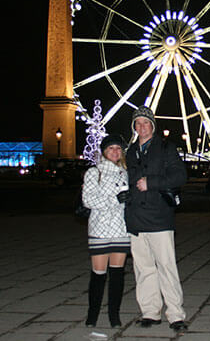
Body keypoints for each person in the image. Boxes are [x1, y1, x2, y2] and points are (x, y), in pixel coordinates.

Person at [125, 105, 188, 332]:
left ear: (152, 125)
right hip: (136, 218)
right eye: (138, 123)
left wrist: (151, 183)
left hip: (159, 216)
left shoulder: (166, 147)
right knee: (143, 268)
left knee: (166, 266)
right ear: (134, 126)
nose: (142, 127)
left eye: (145, 122)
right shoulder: (130, 152)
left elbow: (180, 175)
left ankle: (175, 314)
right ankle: (150, 311)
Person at [82, 134, 131, 328]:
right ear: (104, 151)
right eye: (111, 148)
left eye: (118, 148)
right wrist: (115, 200)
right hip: (100, 229)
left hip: (120, 229)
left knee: (117, 275)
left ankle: (114, 315)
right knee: (98, 274)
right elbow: (89, 200)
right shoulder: (94, 172)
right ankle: (92, 315)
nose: (115, 151)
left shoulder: (125, 173)